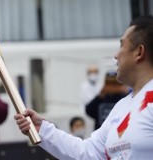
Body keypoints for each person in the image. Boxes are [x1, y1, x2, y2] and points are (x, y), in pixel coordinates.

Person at [14, 15, 153, 159]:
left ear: (139, 52)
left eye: (122, 45)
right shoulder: (121, 107)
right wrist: (42, 129)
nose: (116, 55)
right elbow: (89, 153)